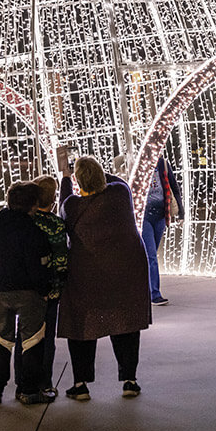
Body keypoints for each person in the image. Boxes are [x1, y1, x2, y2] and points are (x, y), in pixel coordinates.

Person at [57, 156, 151, 400]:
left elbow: (63, 206)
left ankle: (81, 384)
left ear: (79, 181)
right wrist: (93, 172)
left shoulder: (73, 206)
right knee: (125, 323)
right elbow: (115, 180)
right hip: (124, 275)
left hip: (87, 277)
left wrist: (66, 177)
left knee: (82, 326)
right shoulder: (120, 194)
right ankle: (130, 380)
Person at [0, 181, 53, 406]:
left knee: (2, 339)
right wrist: (44, 291)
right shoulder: (33, 232)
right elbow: (39, 266)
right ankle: (28, 391)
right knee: (32, 341)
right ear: (33, 205)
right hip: (27, 292)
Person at [13, 174, 69, 401]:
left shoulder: (26, 222)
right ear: (53, 199)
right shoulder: (56, 224)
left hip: (25, 289)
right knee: (46, 339)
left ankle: (21, 383)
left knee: (23, 337)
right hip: (49, 291)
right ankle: (44, 382)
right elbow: (61, 261)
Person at [139, 156, 184, 306]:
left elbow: (174, 187)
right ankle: (154, 294)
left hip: (160, 215)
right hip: (143, 216)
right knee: (150, 254)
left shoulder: (162, 163)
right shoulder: (135, 163)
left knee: (150, 254)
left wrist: (180, 213)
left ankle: (145, 288)